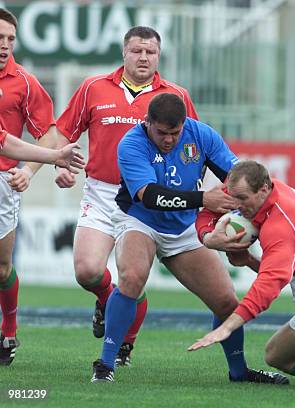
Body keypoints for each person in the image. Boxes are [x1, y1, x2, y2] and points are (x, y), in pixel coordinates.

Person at [91, 93, 287, 386]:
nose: (169, 140)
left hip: (183, 227)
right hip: (139, 219)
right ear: (147, 123)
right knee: (131, 278)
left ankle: (239, 373)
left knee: (225, 302)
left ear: (185, 125)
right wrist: (203, 198)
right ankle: (105, 364)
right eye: (162, 133)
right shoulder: (131, 143)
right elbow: (150, 196)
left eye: (175, 133)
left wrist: (249, 206)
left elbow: (236, 177)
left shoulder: (202, 135)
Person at [54, 26, 200, 366]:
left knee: (131, 277)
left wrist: (190, 189)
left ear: (158, 56)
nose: (144, 57)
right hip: (103, 192)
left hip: (146, 201)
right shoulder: (93, 87)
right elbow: (64, 132)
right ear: (124, 52)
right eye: (137, 50)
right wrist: (61, 164)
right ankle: (108, 299)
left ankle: (124, 342)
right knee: (87, 271)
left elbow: (193, 146)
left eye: (150, 52)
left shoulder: (175, 95)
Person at [190, 160, 295, 383]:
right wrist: (208, 236)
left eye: (242, 199)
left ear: (263, 189)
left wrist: (228, 327)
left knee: (277, 355)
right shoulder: (271, 187)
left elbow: (269, 284)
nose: (236, 204)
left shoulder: (281, 227)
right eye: (233, 197)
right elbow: (210, 209)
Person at [0, 8, 62, 366]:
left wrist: (31, 169)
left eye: (10, 39)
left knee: (1, 268)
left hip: (3, 182)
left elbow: (49, 134)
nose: (5, 45)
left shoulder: (24, 82)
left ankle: (9, 330)